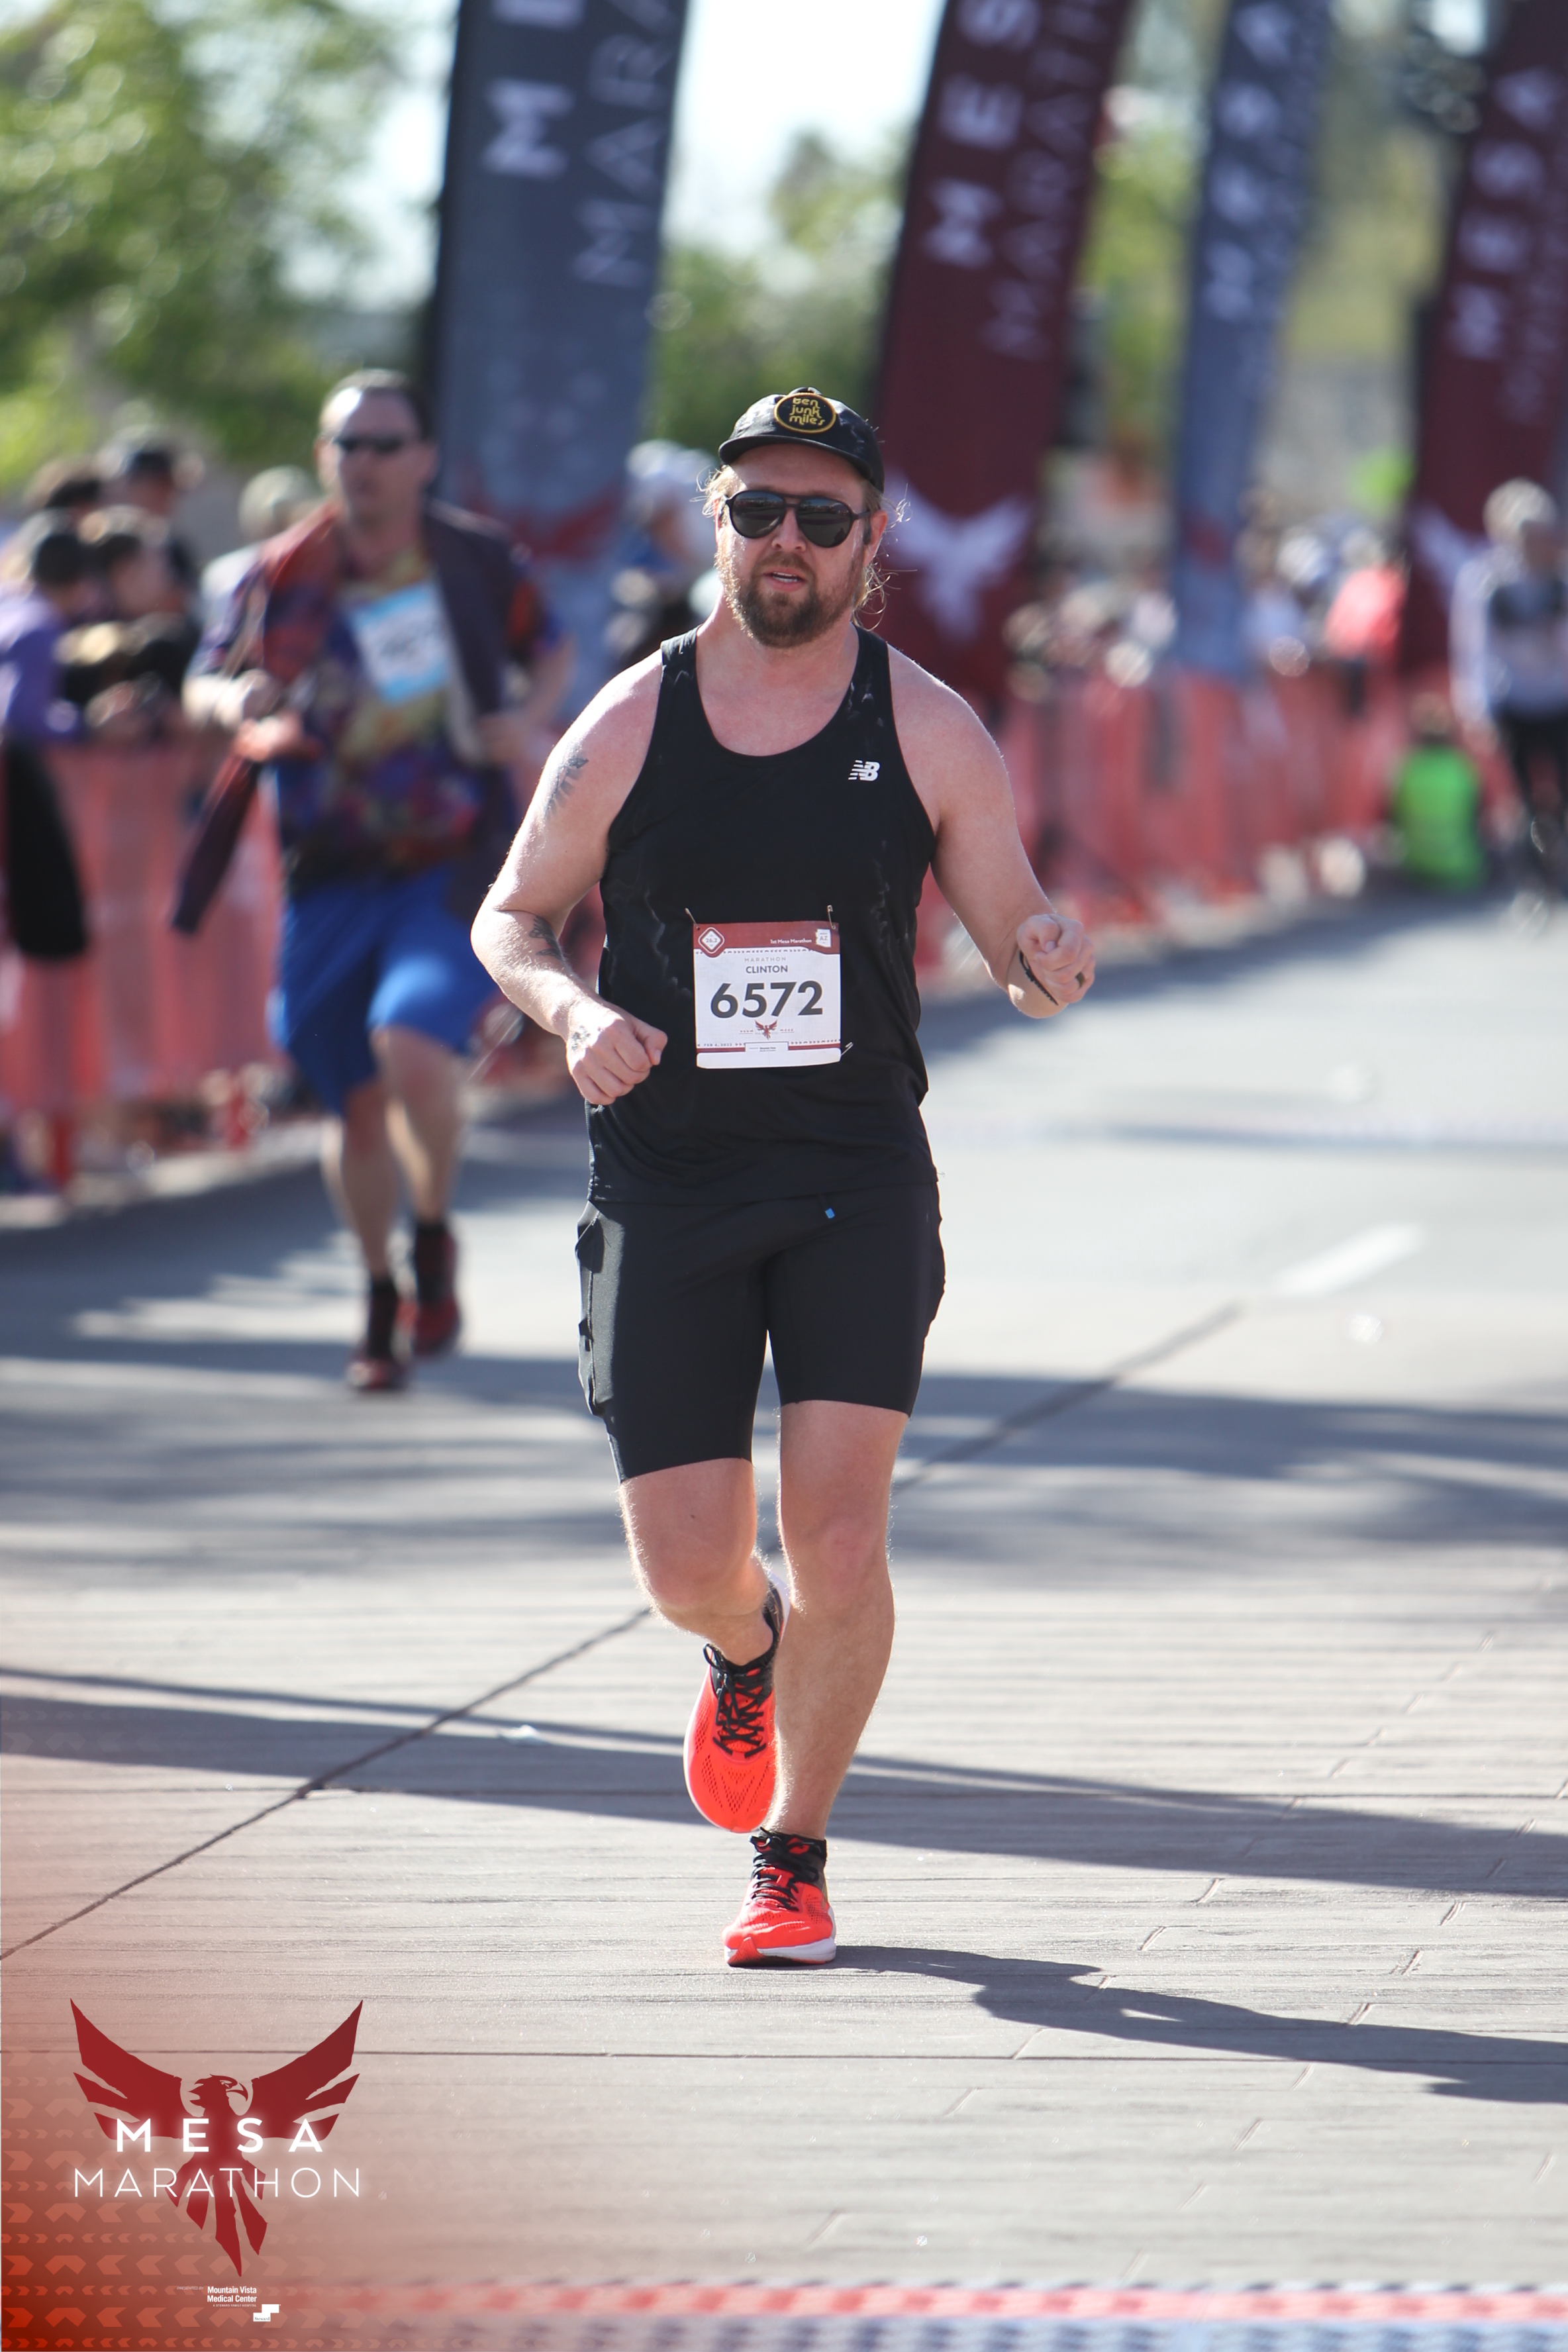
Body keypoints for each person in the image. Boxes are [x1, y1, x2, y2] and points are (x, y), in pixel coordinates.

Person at [472, 386, 1095, 1967]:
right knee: (689, 1563)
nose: (787, 543)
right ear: (716, 525)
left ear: (872, 542)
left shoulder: (927, 726)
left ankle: (792, 1855)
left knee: (839, 1537)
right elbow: (512, 916)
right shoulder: (634, 718)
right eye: (758, 511)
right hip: (667, 1176)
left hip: (851, 1174)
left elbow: (1015, 937)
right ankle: (742, 1651)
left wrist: (1045, 959)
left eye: (822, 518)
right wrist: (574, 1011)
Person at [184, 369, 573, 1391]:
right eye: (346, 444)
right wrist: (236, 702)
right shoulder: (279, 571)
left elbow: (551, 646)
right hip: (328, 869)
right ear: (324, 457)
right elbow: (205, 678)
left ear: (425, 458)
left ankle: (432, 1228)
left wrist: (524, 719)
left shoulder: (473, 558)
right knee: (350, 1103)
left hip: (451, 865)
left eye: (385, 444)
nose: (364, 463)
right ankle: (378, 1292)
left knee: (411, 1040)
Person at [1451, 479, 1568, 886]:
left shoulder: (1559, 580)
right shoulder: (1487, 583)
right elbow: (1474, 650)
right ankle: (1535, 875)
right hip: (1514, 699)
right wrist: (1478, 709)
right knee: (1522, 794)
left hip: (1557, 696)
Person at [1388, 695, 1486, 891]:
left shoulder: (1406, 768)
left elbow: (1393, 817)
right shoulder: (1462, 767)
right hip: (1460, 867)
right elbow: (1478, 815)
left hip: (1416, 866)